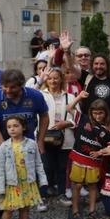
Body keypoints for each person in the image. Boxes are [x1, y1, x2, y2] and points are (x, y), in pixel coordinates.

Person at [0, 116, 46, 219]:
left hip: (27, 182)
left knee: (25, 208)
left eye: (15, 126)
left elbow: (38, 163)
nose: (12, 129)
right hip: (11, 184)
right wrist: (0, 187)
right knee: (8, 209)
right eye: (9, 127)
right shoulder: (4, 146)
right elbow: (0, 169)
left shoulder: (31, 144)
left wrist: (43, 180)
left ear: (23, 127)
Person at [67, 98, 110, 219]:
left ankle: (92, 211)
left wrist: (100, 152)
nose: (97, 116)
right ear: (91, 112)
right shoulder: (83, 119)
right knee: (77, 185)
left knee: (92, 186)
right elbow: (69, 108)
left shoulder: (107, 130)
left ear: (106, 113)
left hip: (93, 162)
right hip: (78, 158)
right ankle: (75, 211)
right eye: (95, 113)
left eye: (100, 113)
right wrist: (79, 97)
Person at [39, 67, 76, 208]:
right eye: (50, 78)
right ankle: (43, 196)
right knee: (46, 167)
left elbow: (77, 117)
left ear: (61, 79)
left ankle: (61, 193)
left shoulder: (70, 97)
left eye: (56, 78)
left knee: (62, 168)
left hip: (65, 138)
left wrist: (68, 123)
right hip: (45, 137)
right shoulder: (41, 95)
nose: (53, 81)